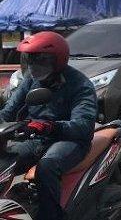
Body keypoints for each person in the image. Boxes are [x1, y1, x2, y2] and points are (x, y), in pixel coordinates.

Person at [0, 31, 97, 220]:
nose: (35, 66)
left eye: (41, 60)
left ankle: (51, 215)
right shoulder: (32, 78)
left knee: (47, 166)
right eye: (31, 60)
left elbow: (83, 125)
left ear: (57, 60)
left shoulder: (80, 85)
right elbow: (9, 110)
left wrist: (51, 126)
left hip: (70, 139)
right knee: (4, 160)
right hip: (36, 137)